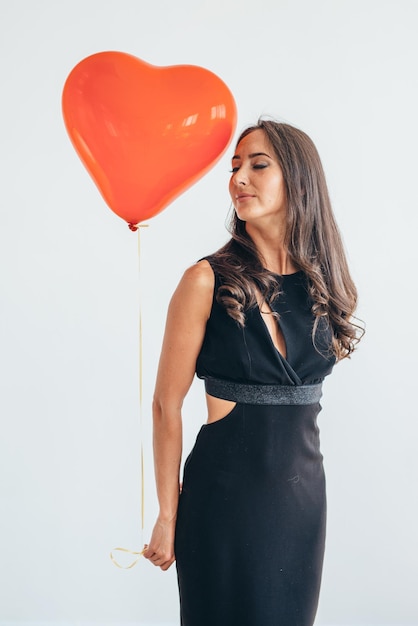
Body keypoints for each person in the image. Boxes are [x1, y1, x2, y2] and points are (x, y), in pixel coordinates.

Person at [143, 119, 363, 625]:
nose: (239, 178)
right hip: (220, 502)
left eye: (258, 165)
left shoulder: (323, 284)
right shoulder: (205, 280)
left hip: (301, 504)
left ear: (299, 180)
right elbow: (164, 405)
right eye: (235, 166)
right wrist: (167, 515)